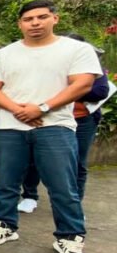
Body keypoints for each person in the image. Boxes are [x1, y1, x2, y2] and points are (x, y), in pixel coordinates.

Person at [0, 0, 101, 253]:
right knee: (6, 183)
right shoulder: (5, 54)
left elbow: (82, 84)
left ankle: (70, 237)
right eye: (29, 19)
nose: (35, 23)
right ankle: (4, 225)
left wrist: (42, 108)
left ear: (54, 19)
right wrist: (19, 109)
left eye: (41, 17)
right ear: (20, 24)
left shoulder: (76, 49)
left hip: (55, 126)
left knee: (62, 186)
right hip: (10, 126)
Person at [18, 33, 111, 213]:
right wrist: (72, 87)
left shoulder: (89, 64)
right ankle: (29, 196)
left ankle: (73, 204)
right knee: (33, 159)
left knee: (78, 162)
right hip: (47, 118)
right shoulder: (47, 64)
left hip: (82, 120)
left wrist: (66, 90)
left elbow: (100, 91)